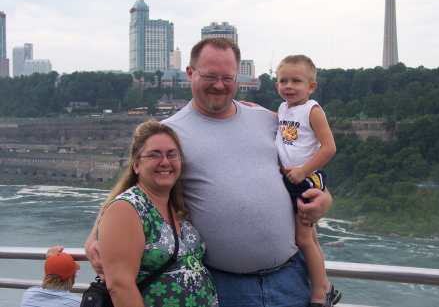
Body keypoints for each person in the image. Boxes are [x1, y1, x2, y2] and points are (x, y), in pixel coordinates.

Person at [86, 37, 333, 307]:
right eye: (210, 76)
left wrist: (325, 199)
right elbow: (134, 189)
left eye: (228, 78)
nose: (219, 85)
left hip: (292, 279)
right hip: (223, 287)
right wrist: (94, 236)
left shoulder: (268, 120)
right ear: (190, 73)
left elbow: (299, 165)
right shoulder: (170, 133)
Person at [85, 119, 218, 307]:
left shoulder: (175, 206)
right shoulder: (126, 208)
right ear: (136, 165)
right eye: (154, 155)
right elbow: (120, 287)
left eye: (172, 155)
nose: (165, 162)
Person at [275, 54, 339, 306]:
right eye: (283, 81)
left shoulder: (312, 110)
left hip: (306, 179)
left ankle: (318, 295)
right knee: (310, 237)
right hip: (294, 178)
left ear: (311, 86)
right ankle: (325, 285)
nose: (289, 86)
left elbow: (329, 147)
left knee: (302, 239)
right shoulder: (283, 108)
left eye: (296, 81)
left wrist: (303, 170)